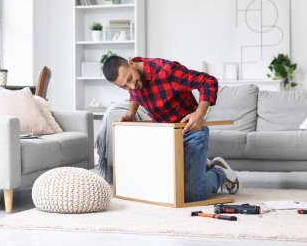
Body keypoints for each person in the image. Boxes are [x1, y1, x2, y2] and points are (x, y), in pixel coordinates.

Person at [102, 56, 240, 202]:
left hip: (190, 132)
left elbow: (208, 81)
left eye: (130, 79)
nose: (131, 86)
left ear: (132, 63)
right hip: (165, 136)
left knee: (191, 195)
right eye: (124, 86)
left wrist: (199, 113)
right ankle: (201, 167)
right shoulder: (133, 81)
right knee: (166, 189)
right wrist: (130, 114)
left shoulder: (166, 71)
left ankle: (220, 172)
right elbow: (135, 94)